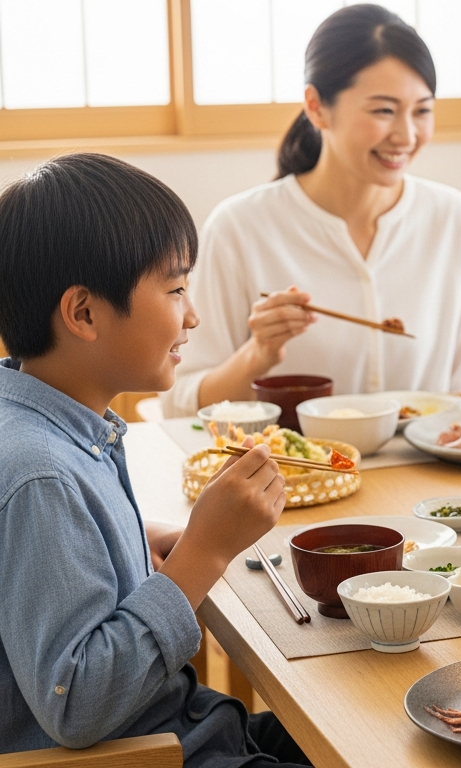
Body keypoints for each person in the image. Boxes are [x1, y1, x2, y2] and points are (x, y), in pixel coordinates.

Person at [0, 154, 306, 763]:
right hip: (147, 752)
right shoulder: (41, 474)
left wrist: (136, 537)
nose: (192, 316)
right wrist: (206, 551)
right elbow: (75, 704)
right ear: (83, 313)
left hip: (182, 725)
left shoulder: (39, 424)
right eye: (175, 289)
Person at [163, 4, 461, 416]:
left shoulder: (455, 222)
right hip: (294, 475)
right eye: (383, 110)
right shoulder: (240, 228)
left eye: (423, 110)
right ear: (316, 106)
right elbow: (181, 405)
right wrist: (259, 354)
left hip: (426, 472)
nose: (407, 135)